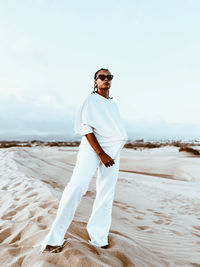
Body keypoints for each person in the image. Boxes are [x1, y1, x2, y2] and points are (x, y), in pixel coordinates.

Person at [40, 68, 128, 253]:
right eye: (101, 77)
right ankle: (54, 238)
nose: (106, 80)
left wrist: (112, 150)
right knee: (77, 187)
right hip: (93, 148)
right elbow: (85, 127)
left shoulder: (113, 105)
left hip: (113, 151)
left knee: (106, 192)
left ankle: (99, 237)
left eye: (109, 77)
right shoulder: (90, 100)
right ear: (95, 81)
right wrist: (101, 153)